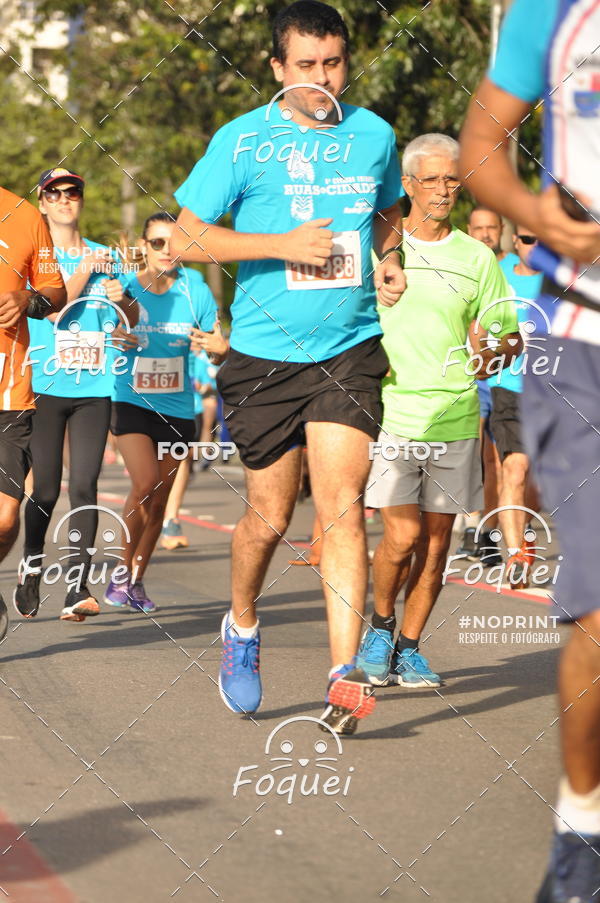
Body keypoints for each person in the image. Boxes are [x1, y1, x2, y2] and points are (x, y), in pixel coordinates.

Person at [172, 0, 406, 733]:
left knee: (342, 507)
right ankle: (242, 623)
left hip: (349, 349)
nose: (321, 80)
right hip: (263, 356)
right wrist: (281, 245)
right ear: (277, 68)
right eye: (305, 66)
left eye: (332, 63)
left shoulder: (374, 135)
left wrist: (389, 260)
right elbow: (184, 240)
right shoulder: (243, 141)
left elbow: (389, 211)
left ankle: (343, 675)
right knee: (269, 518)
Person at [460, 2, 600, 900]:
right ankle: (583, 829)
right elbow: (481, 146)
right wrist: (534, 211)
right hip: (582, 344)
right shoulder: (553, 14)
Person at [356, 133, 520, 689]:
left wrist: (491, 351)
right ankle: (380, 627)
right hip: (393, 412)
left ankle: (409, 646)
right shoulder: (379, 247)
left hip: (455, 414)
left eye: (452, 179)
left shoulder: (478, 258)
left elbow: (509, 336)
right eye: (430, 180)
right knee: (401, 537)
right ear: (407, 184)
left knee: (435, 544)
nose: (444, 190)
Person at [13, 168, 137, 624]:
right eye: (54, 193)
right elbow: (53, 312)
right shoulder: (34, 258)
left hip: (95, 386)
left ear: (81, 199)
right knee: (45, 489)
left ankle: (76, 589)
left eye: (73, 192)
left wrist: (122, 300)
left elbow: (131, 319)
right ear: (42, 203)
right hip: (44, 386)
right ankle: (30, 567)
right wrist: (87, 270)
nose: (65, 199)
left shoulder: (108, 255)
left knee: (85, 485)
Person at [105, 212, 219, 613]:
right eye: (157, 242)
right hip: (131, 400)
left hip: (177, 407)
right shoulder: (126, 286)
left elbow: (217, 342)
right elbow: (105, 330)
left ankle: (136, 579)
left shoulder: (195, 289)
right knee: (145, 483)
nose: (166, 250)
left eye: (173, 242)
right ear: (144, 246)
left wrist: (215, 347)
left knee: (158, 501)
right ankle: (121, 571)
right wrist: (114, 335)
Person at [0, 182, 67, 640]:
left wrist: (27, 299)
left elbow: (55, 291)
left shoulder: (24, 214)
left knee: (6, 518)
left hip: (9, 392)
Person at [487, 225, 543, 588]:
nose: (534, 245)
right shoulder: (498, 277)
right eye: (527, 239)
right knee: (514, 470)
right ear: (515, 242)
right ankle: (515, 556)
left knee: (539, 485)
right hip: (508, 387)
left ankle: (526, 528)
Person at [160, 333, 228, 551]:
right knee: (152, 466)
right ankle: (151, 511)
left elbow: (216, 358)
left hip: (186, 404)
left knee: (181, 456)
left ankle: (171, 519)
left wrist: (213, 347)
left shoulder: (196, 322)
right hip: (144, 399)